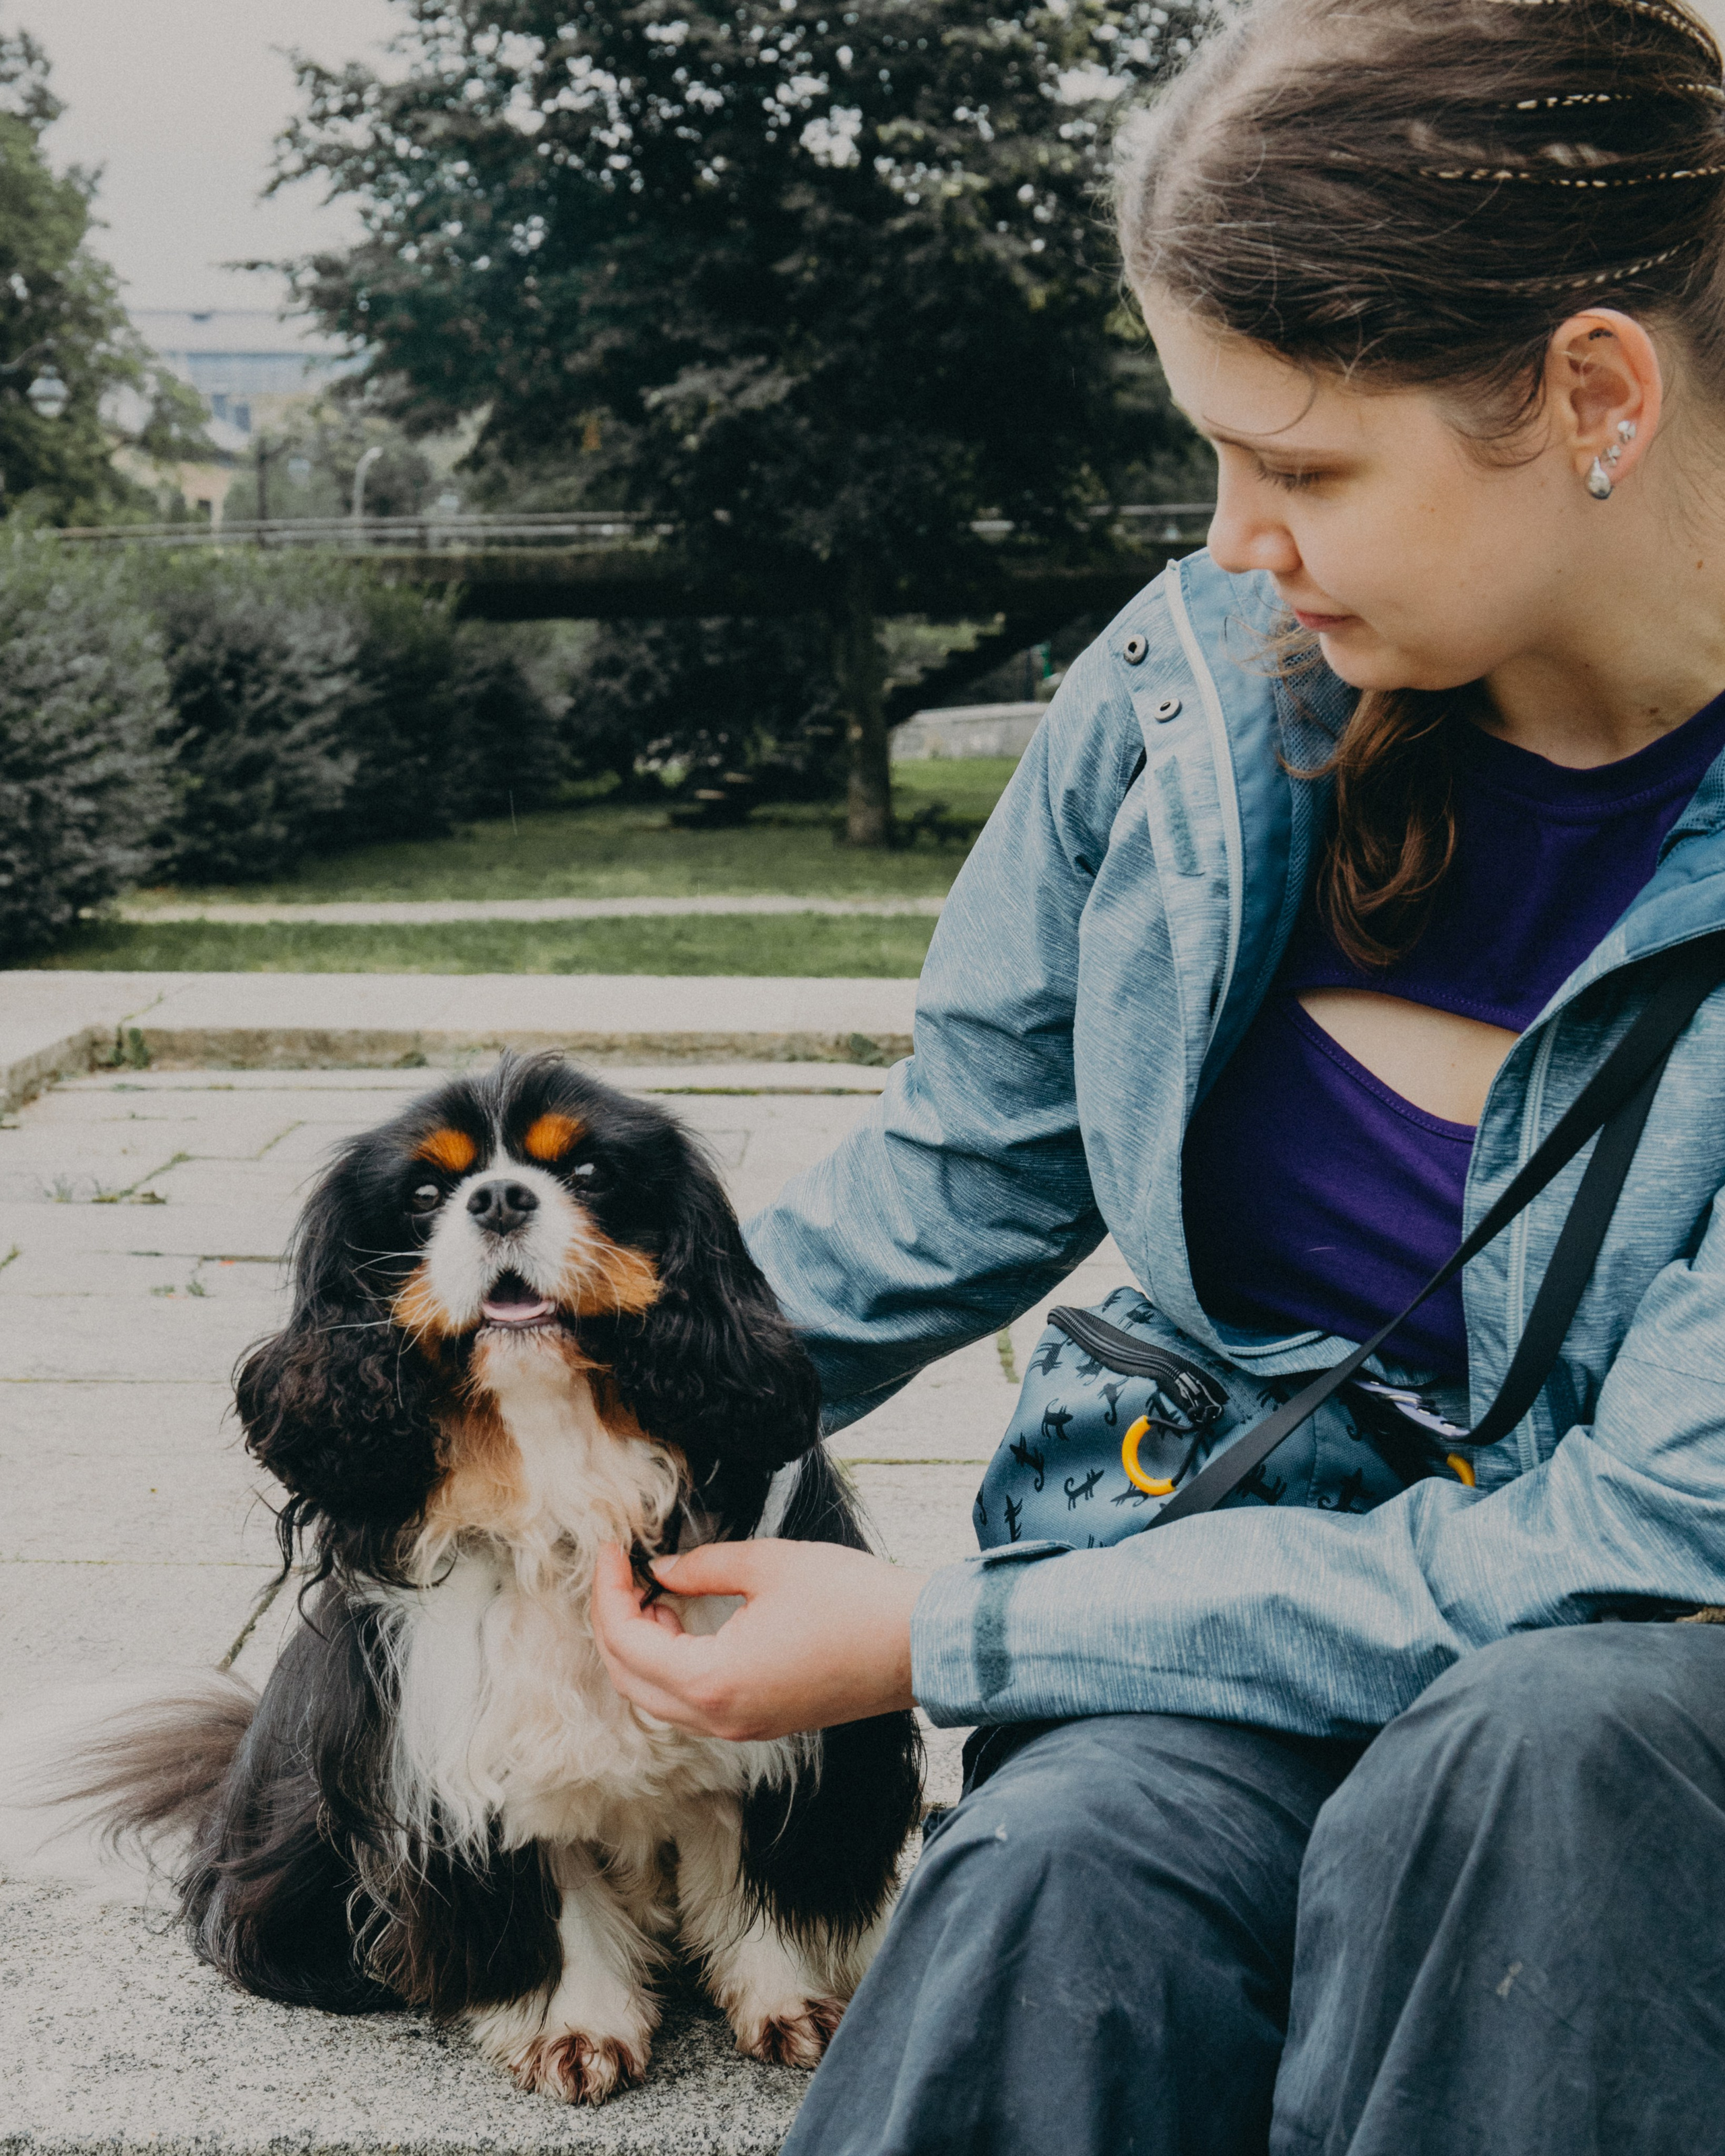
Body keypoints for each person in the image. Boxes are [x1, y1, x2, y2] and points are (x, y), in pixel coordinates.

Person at [591, 0, 1725, 2147]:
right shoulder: (1195, 702)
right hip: (1221, 1565)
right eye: (1210, 453)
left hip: (1638, 1693)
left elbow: (1641, 1542)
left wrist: (941, 1629)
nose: (1226, 544)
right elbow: (953, 1176)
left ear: (1594, 391)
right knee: (1065, 1870)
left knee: (1519, 1772)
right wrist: (552, 1390)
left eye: (1299, 465)